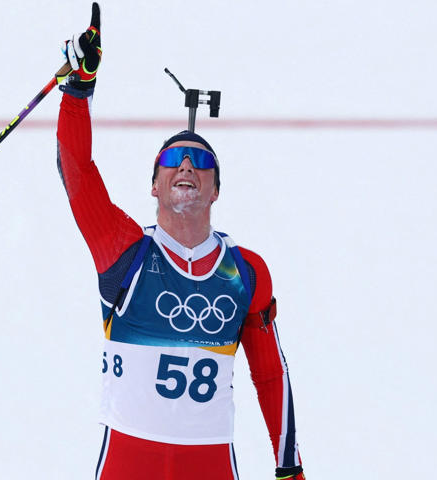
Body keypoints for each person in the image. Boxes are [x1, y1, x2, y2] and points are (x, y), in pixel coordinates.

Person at [55, 4, 305, 479]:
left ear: (215, 190)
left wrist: (289, 465)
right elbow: (77, 171)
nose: (186, 165)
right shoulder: (124, 251)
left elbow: (271, 374)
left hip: (209, 464)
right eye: (172, 159)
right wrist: (79, 89)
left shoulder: (245, 272)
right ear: (154, 186)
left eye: (200, 161)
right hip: (127, 463)